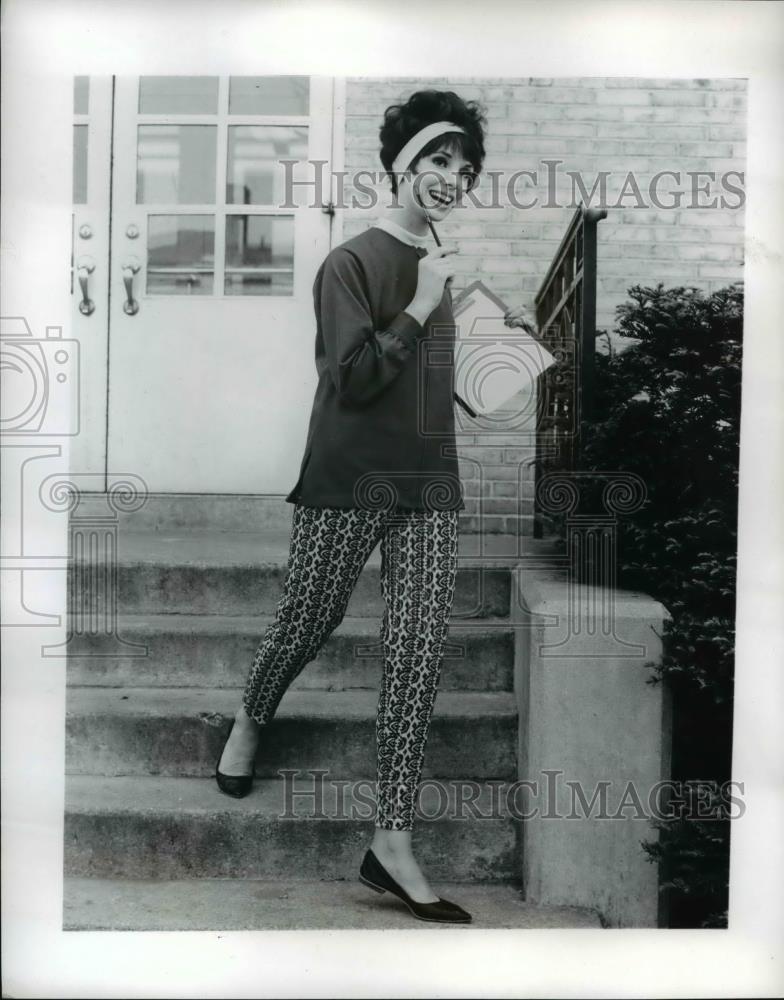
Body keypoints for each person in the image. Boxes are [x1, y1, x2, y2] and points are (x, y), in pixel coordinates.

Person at [216, 89, 514, 925]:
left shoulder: (445, 269)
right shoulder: (350, 262)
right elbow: (351, 377)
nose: (452, 177)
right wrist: (421, 305)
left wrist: (493, 347)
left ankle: (390, 840)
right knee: (308, 619)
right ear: (402, 165)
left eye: (465, 166)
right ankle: (250, 717)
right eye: (437, 160)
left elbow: (425, 381)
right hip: (348, 476)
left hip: (429, 484)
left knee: (417, 656)